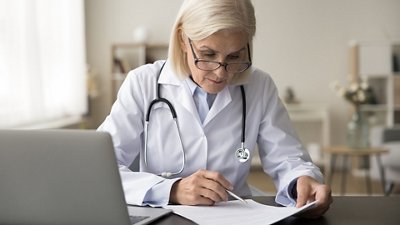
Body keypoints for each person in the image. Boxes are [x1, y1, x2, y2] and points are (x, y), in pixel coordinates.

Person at [98, 0, 332, 218]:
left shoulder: (258, 86)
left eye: (234, 56)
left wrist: (301, 181)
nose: (221, 72)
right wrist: (172, 190)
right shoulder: (143, 83)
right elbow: (101, 167)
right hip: (164, 216)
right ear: (182, 39)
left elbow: (288, 157)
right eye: (208, 54)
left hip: (236, 217)